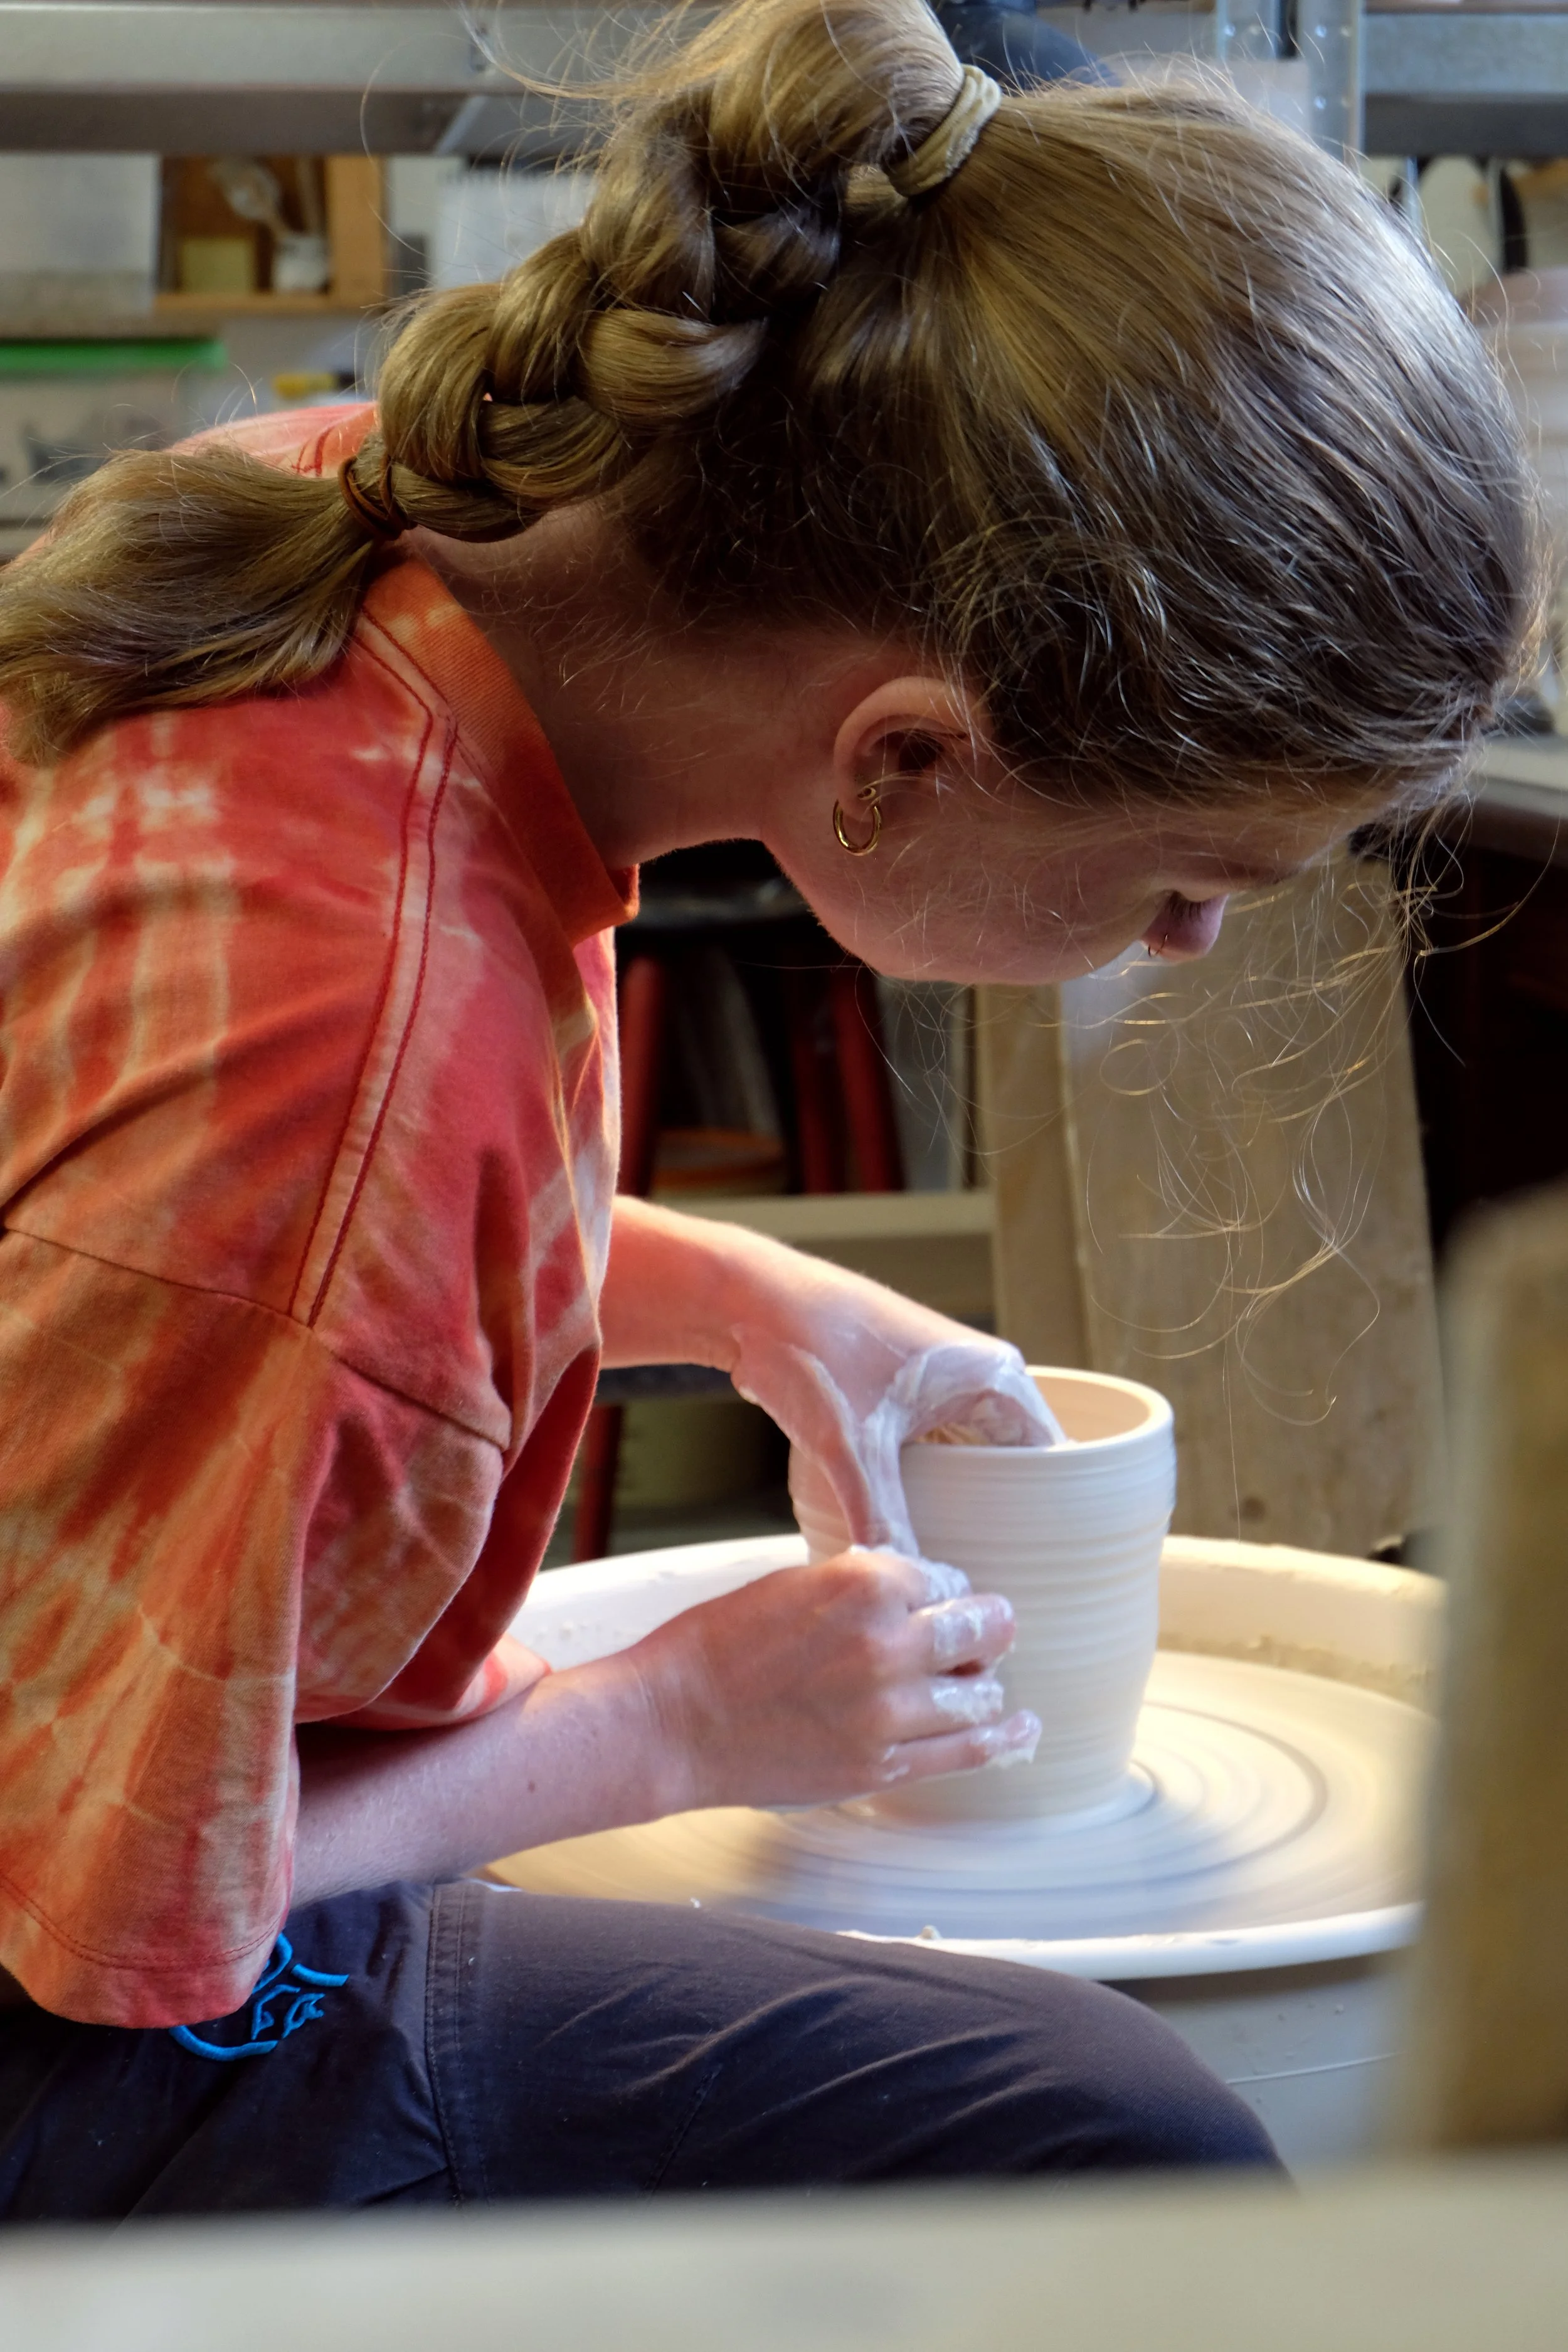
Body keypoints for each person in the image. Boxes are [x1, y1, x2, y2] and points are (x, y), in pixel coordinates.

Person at [0, 0, 1535, 2219]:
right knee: (1123, 2141)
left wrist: (735, 1294)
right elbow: (113, 1917)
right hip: (65, 2037)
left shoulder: (335, 537)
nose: (1182, 950)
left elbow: (147, 1255)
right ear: (902, 754)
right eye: (1188, 886)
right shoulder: (360, 1065)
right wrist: (668, 1731)